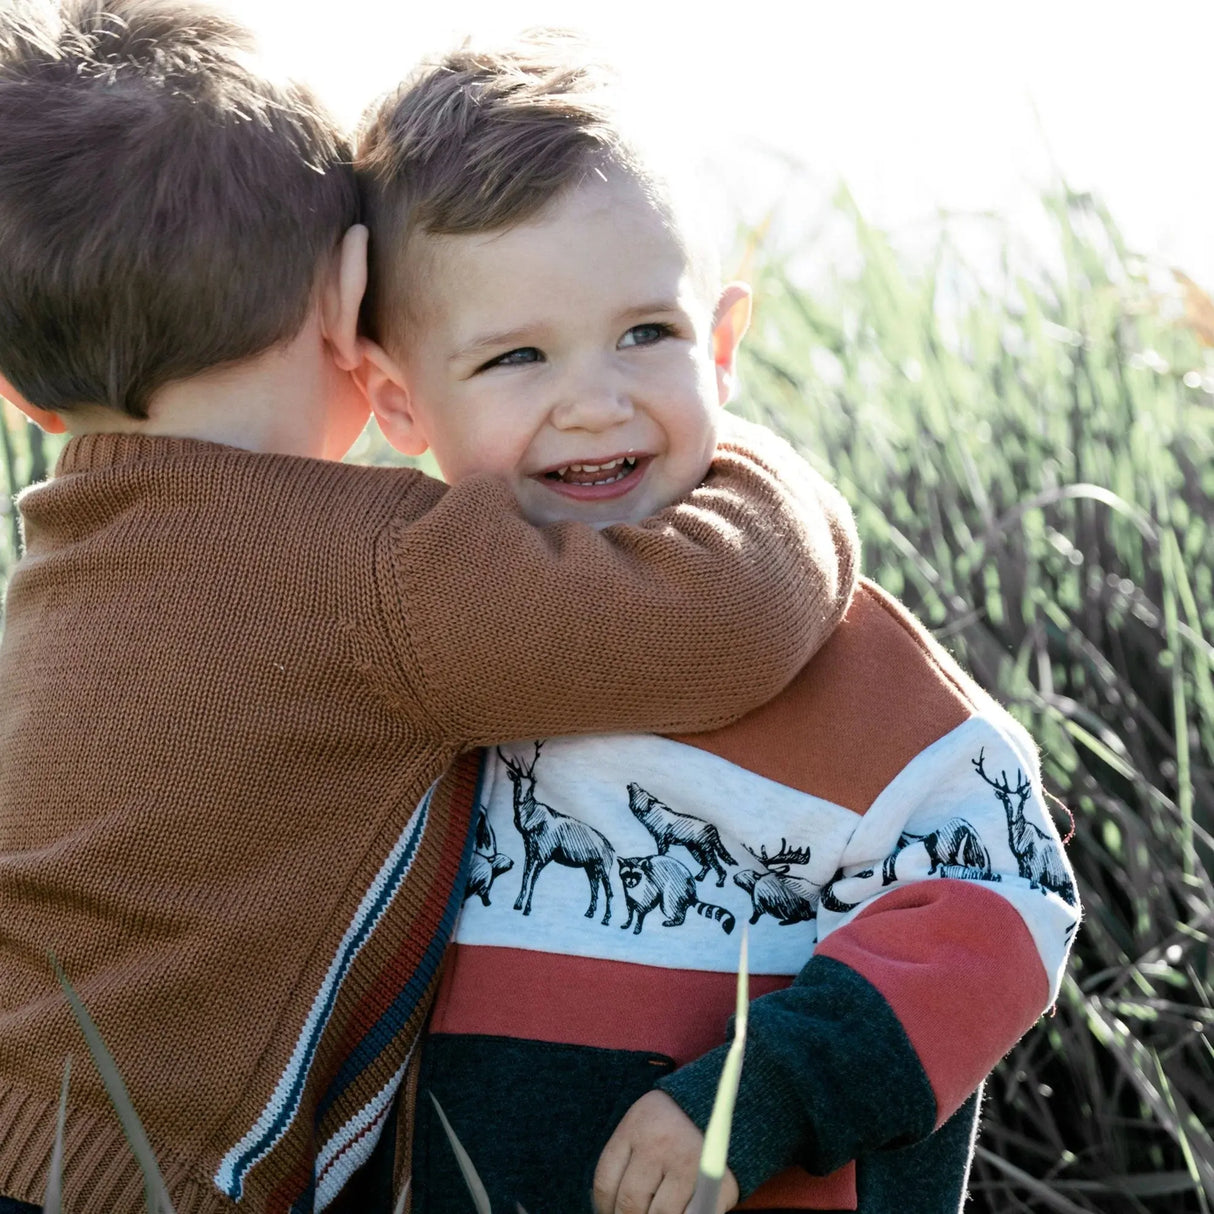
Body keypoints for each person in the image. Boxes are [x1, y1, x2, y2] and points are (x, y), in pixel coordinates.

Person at [0, 6, 859, 1214]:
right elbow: (723, 616)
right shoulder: (371, 571)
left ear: (22, 393)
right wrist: (749, 450)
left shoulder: (67, 548)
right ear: (350, 296)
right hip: (139, 1183)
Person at [352, 35, 1082, 1214]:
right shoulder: (423, 651)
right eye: (517, 356)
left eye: (647, 332)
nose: (595, 398)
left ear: (723, 342)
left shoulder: (835, 662)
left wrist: (759, 1092)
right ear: (396, 400)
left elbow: (1002, 903)